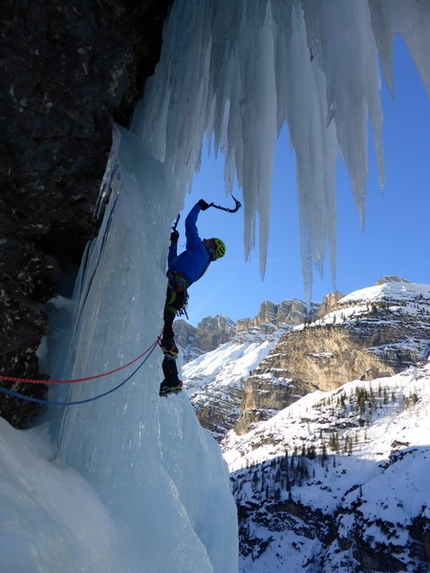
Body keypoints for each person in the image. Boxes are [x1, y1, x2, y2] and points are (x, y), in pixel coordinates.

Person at [159, 199, 226, 396]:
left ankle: (172, 378)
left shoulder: (199, 250)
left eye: (210, 240)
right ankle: (171, 378)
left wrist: (199, 207)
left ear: (213, 246)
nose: (205, 239)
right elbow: (173, 263)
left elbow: (190, 223)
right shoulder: (200, 262)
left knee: (167, 330)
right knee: (166, 331)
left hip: (173, 289)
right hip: (177, 292)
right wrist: (173, 243)